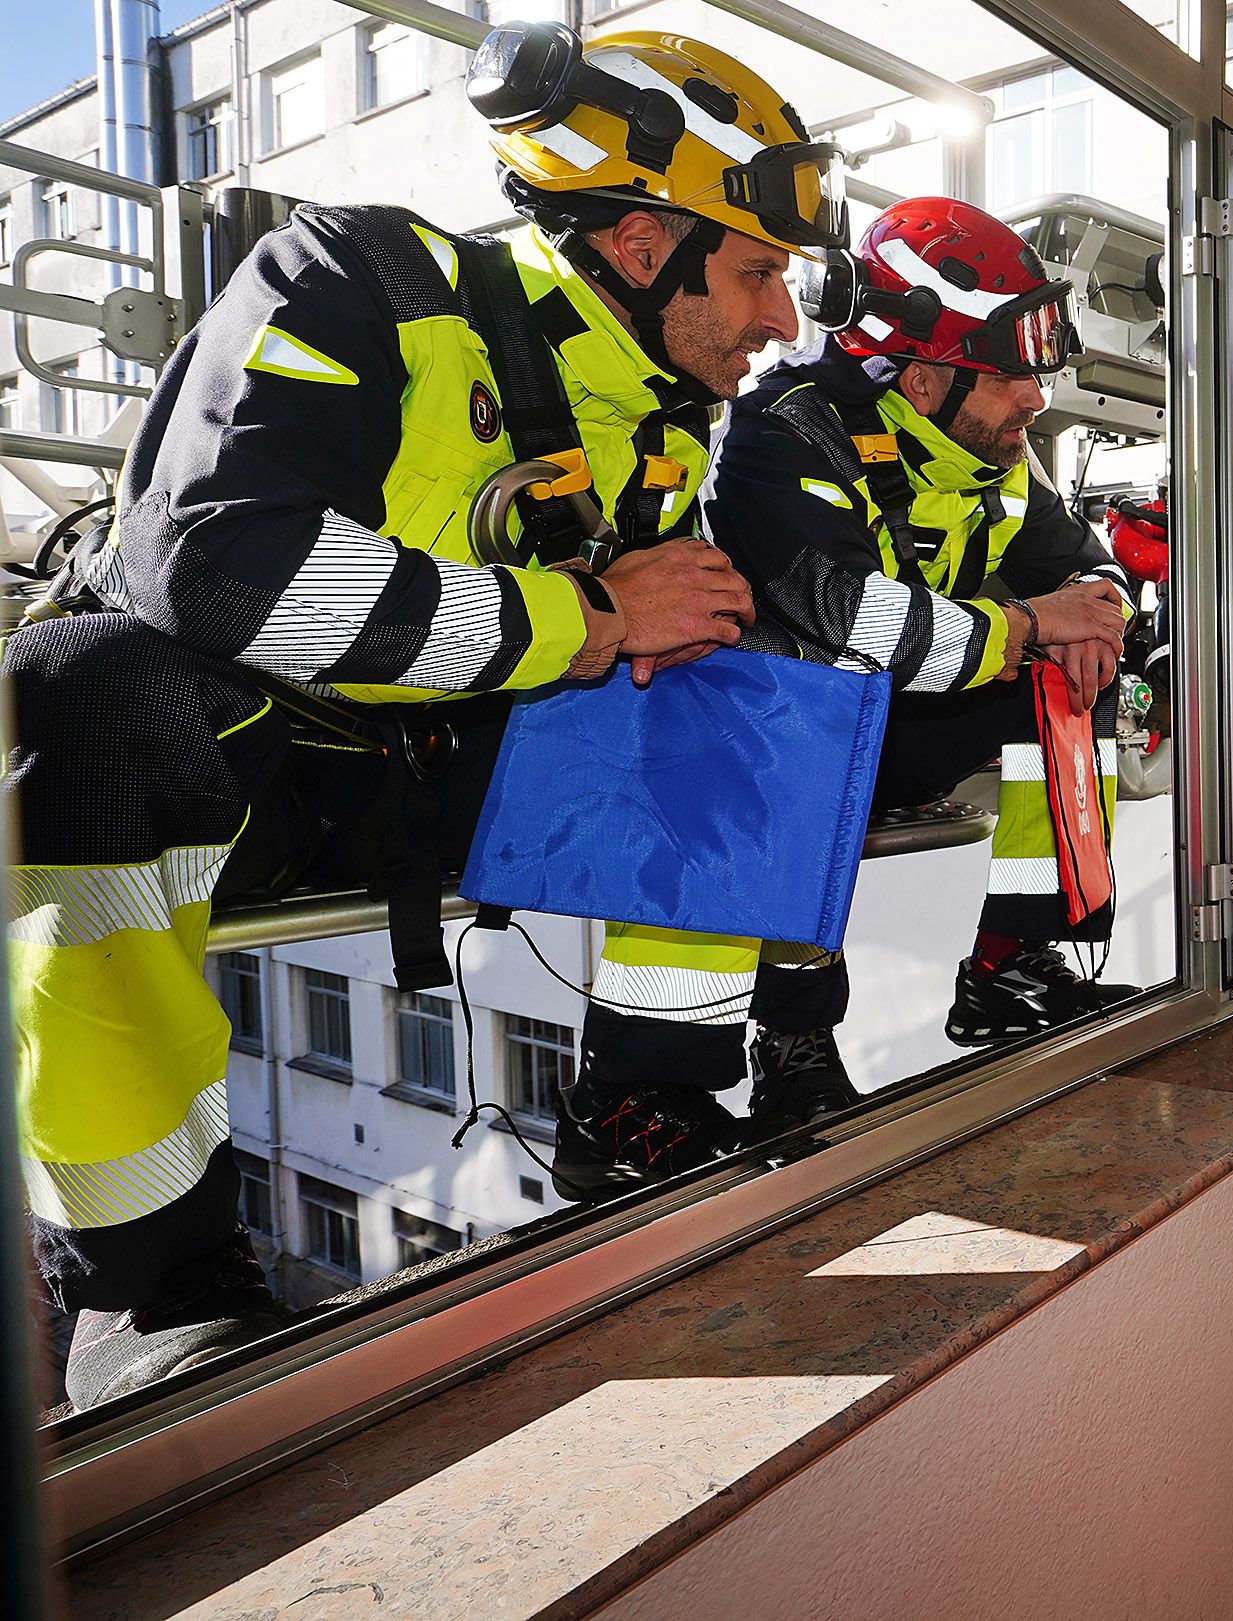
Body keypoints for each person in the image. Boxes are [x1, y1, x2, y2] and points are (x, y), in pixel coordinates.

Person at [6, 21, 843, 1406]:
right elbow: (206, 563)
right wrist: (594, 615)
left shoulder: (664, 410)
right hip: (239, 762)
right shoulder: (357, 280)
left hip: (430, 764)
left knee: (738, 699)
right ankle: (148, 1284)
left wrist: (663, 625)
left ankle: (648, 1104)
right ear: (644, 245)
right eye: (760, 273)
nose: (782, 321)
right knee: (74, 690)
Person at [703, 196, 1137, 1056]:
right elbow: (853, 620)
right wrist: (1034, 620)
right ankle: (793, 1046)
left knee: (1080, 671)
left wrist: (1092, 613)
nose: (1035, 400)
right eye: (1011, 374)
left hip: (908, 716)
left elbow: (1092, 565)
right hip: (776, 746)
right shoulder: (782, 436)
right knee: (815, 709)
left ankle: (1009, 968)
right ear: (921, 376)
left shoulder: (995, 448)